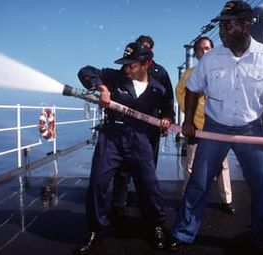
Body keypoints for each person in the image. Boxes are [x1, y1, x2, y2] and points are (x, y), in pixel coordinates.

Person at [167, 1, 263, 255]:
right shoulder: (211, 59)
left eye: (227, 25)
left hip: (250, 129)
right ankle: (184, 232)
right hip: (216, 127)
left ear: (246, 26)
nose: (222, 31)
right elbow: (193, 89)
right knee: (199, 181)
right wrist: (187, 121)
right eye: (222, 25)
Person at [75, 42, 174, 254]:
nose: (127, 68)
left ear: (146, 64)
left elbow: (167, 106)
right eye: (125, 64)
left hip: (140, 138)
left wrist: (166, 118)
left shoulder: (158, 88)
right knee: (98, 183)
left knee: (149, 186)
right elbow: (85, 71)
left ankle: (156, 226)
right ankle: (95, 230)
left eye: (132, 65)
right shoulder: (113, 77)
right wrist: (101, 88)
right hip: (112, 136)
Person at [111, 35, 175, 216]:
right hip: (126, 126)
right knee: (123, 169)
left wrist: (167, 119)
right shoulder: (128, 68)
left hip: (150, 128)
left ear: (151, 51)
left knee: (148, 170)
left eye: (146, 47)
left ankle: (146, 207)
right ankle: (117, 206)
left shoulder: (160, 72)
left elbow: (167, 99)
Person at [175, 36, 235, 215]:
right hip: (197, 126)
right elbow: (181, 97)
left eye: (208, 48)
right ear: (196, 53)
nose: (205, 52)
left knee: (222, 165)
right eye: (201, 49)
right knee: (191, 165)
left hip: (218, 127)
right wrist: (190, 121)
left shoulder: (223, 72)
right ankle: (188, 198)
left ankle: (227, 200)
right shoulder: (189, 74)